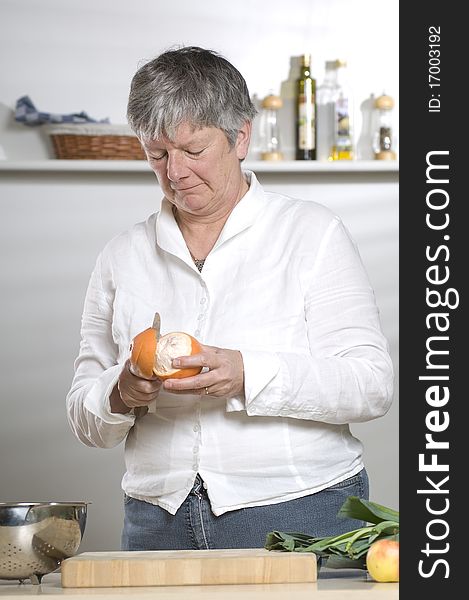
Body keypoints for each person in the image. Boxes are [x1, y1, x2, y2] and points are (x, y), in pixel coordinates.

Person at [66, 46, 394, 551]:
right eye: (157, 153)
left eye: (193, 150)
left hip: (300, 509)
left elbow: (371, 385)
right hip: (157, 520)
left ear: (241, 136)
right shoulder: (121, 256)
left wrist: (248, 373)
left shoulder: (313, 234)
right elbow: (85, 412)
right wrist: (121, 392)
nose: (174, 171)